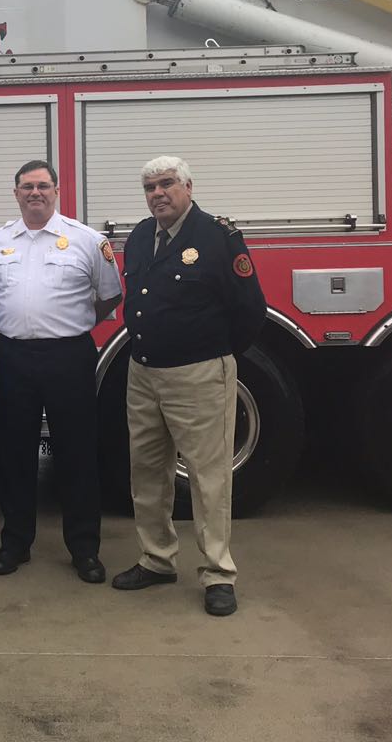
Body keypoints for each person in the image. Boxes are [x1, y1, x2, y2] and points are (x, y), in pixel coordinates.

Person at [112, 156, 266, 617]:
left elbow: (250, 310)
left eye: (166, 184)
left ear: (188, 187)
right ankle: (156, 559)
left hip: (199, 374)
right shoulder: (140, 236)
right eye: (149, 187)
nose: (157, 193)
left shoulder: (219, 237)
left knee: (208, 478)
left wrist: (214, 354)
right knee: (147, 473)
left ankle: (218, 573)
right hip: (143, 374)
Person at [0, 160, 123, 582]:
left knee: (77, 454)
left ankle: (84, 550)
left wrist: (67, 325)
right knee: (13, 455)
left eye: (43, 186)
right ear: (16, 194)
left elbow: (109, 297)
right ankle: (15, 543)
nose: (35, 193)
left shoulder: (86, 240)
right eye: (27, 187)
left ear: (57, 191)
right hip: (14, 358)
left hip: (70, 357)